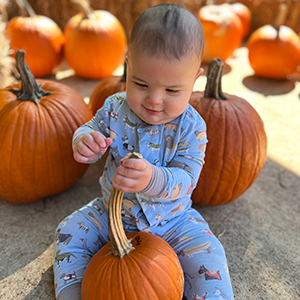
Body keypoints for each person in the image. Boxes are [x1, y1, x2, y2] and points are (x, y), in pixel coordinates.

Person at [53, 4, 234, 300]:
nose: (153, 100)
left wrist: (152, 179)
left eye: (172, 91)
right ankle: (74, 292)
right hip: (111, 214)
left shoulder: (192, 127)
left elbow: (187, 179)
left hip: (173, 220)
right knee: (69, 232)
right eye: (140, 83)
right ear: (128, 63)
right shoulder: (114, 108)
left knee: (209, 253)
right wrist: (84, 141)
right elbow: (90, 127)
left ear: (195, 79)